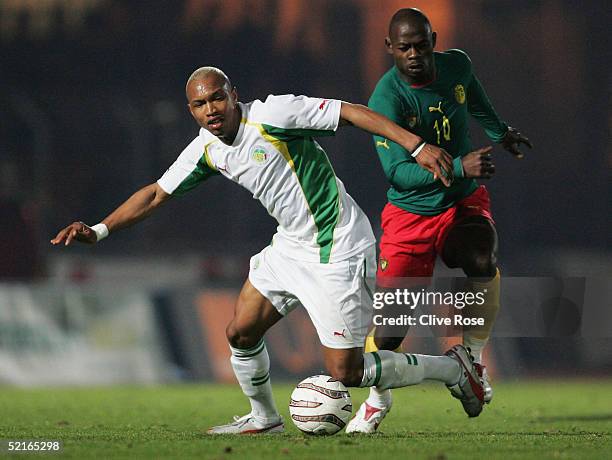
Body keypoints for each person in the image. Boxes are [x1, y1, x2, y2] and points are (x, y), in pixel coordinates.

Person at [51, 66, 485, 434]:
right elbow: (156, 194)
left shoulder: (274, 114)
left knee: (347, 373)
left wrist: (417, 145)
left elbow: (351, 114)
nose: (212, 110)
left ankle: (453, 370)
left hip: (338, 249)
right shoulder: (207, 149)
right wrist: (99, 229)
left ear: (233, 95)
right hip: (290, 248)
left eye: (217, 99)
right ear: (192, 111)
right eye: (201, 105)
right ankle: (263, 417)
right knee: (241, 333)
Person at [347, 8, 532, 433]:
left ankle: (474, 359)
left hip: (461, 204)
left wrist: (501, 133)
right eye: (405, 47)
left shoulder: (458, 66)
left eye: (421, 44)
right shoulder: (386, 99)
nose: (414, 54)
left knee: (481, 255)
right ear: (389, 48)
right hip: (410, 217)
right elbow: (398, 173)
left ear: (433, 40)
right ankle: (377, 401)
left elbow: (478, 102)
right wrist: (462, 167)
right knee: (390, 334)